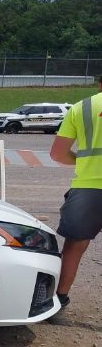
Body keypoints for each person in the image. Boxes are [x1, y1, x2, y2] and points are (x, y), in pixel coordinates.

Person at [49, 74, 102, 310]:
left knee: (74, 245)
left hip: (88, 186)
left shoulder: (83, 107)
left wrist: (81, 160)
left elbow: (58, 154)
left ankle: (59, 300)